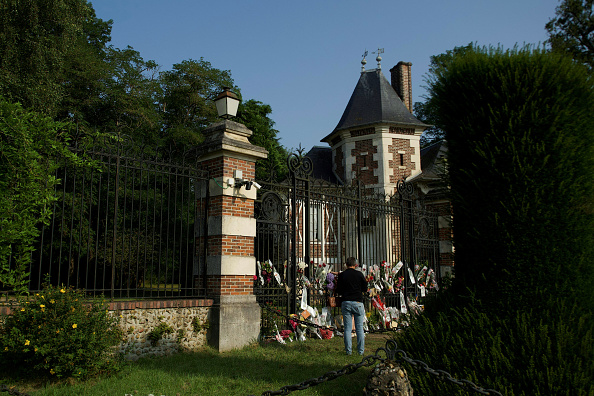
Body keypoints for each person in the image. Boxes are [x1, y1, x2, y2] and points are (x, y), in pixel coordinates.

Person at [336, 257, 367, 355]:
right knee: (359, 328)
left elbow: (339, 290)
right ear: (355, 265)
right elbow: (365, 288)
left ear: (346, 264)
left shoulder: (342, 275)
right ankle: (360, 351)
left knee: (348, 329)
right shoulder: (359, 274)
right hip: (358, 301)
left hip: (346, 301)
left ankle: (348, 351)